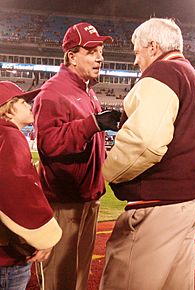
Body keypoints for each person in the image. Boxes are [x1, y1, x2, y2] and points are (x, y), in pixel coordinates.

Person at [100, 18, 195, 290]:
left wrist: (104, 174)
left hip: (158, 204)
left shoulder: (164, 72)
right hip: (187, 201)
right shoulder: (187, 72)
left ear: (152, 46)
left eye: (137, 52)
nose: (136, 61)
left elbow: (145, 142)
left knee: (124, 282)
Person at [33, 22, 121, 290]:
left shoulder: (88, 91)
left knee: (80, 276)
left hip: (88, 199)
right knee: (60, 279)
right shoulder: (52, 92)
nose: (100, 57)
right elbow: (48, 144)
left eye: (101, 51)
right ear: (71, 55)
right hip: (64, 202)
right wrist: (92, 124)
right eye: (92, 51)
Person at [0, 81, 62, 290]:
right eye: (21, 101)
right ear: (7, 110)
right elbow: (17, 189)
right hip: (8, 257)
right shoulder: (10, 136)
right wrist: (44, 236)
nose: (29, 105)